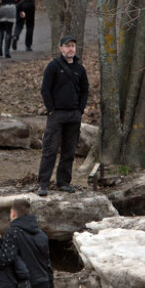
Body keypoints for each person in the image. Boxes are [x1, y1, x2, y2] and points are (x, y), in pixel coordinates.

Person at [37, 36, 89, 196]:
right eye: (67, 46)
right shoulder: (53, 66)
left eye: (73, 46)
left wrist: (80, 110)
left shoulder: (80, 69)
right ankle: (43, 184)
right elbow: (45, 89)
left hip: (74, 115)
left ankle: (64, 182)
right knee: (50, 149)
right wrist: (51, 109)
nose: (70, 49)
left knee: (69, 151)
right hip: (56, 114)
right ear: (61, 48)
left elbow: (85, 91)